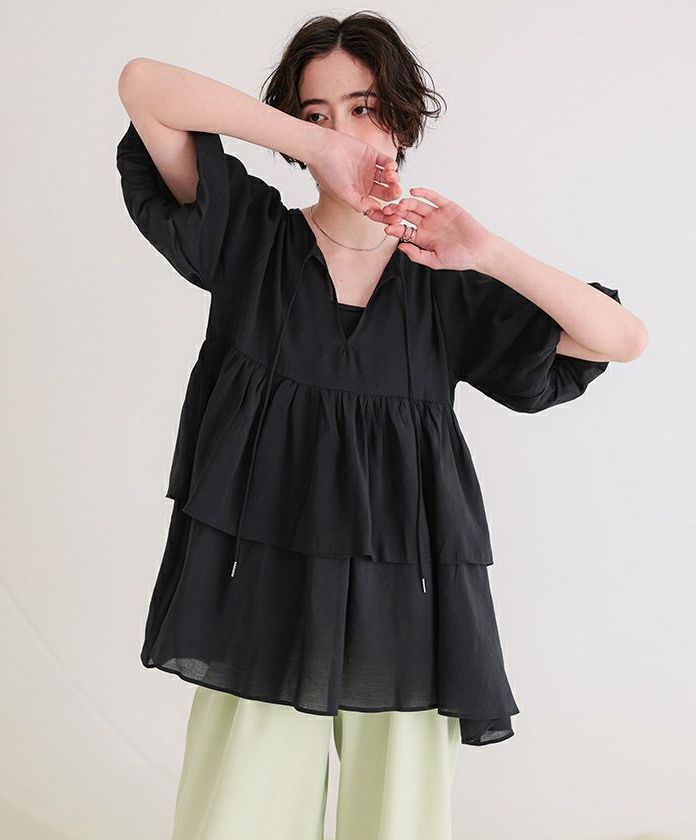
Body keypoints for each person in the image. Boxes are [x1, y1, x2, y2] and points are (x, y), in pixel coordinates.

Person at [115, 12, 647, 840]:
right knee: (234, 821)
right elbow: (142, 84)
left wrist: (488, 252)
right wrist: (313, 143)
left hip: (409, 601)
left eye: (364, 108)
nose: (344, 132)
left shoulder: (444, 286)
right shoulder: (249, 240)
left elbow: (623, 338)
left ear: (400, 119)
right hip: (262, 598)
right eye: (317, 113)